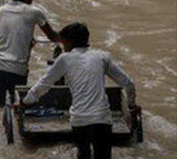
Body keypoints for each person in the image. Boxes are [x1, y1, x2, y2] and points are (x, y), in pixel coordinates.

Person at [22, 22, 137, 159]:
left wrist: (26, 102)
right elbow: (128, 84)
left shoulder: (64, 59)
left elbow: (44, 83)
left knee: (83, 155)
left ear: (70, 42)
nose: (63, 46)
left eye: (64, 42)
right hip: (102, 119)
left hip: (80, 120)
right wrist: (131, 106)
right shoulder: (102, 57)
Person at [0, 0, 59, 107]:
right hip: (17, 70)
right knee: (18, 107)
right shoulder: (34, 12)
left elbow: (4, 36)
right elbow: (52, 36)